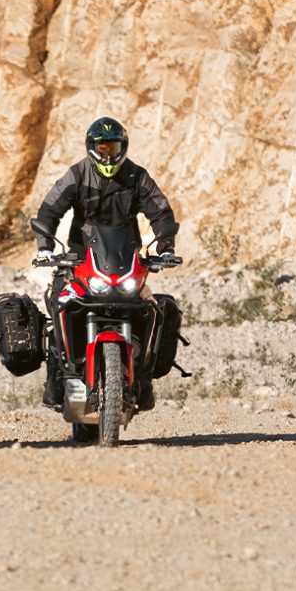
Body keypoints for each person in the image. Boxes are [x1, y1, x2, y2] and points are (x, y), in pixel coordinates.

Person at [29, 117, 181, 401]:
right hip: (80, 260)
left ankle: (143, 377)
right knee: (59, 302)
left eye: (113, 147)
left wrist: (166, 247)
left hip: (125, 259)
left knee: (151, 307)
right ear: (92, 147)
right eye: (103, 147)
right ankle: (57, 379)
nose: (108, 154)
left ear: (123, 147)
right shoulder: (77, 174)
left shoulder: (137, 176)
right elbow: (49, 209)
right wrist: (45, 247)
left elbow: (160, 211)